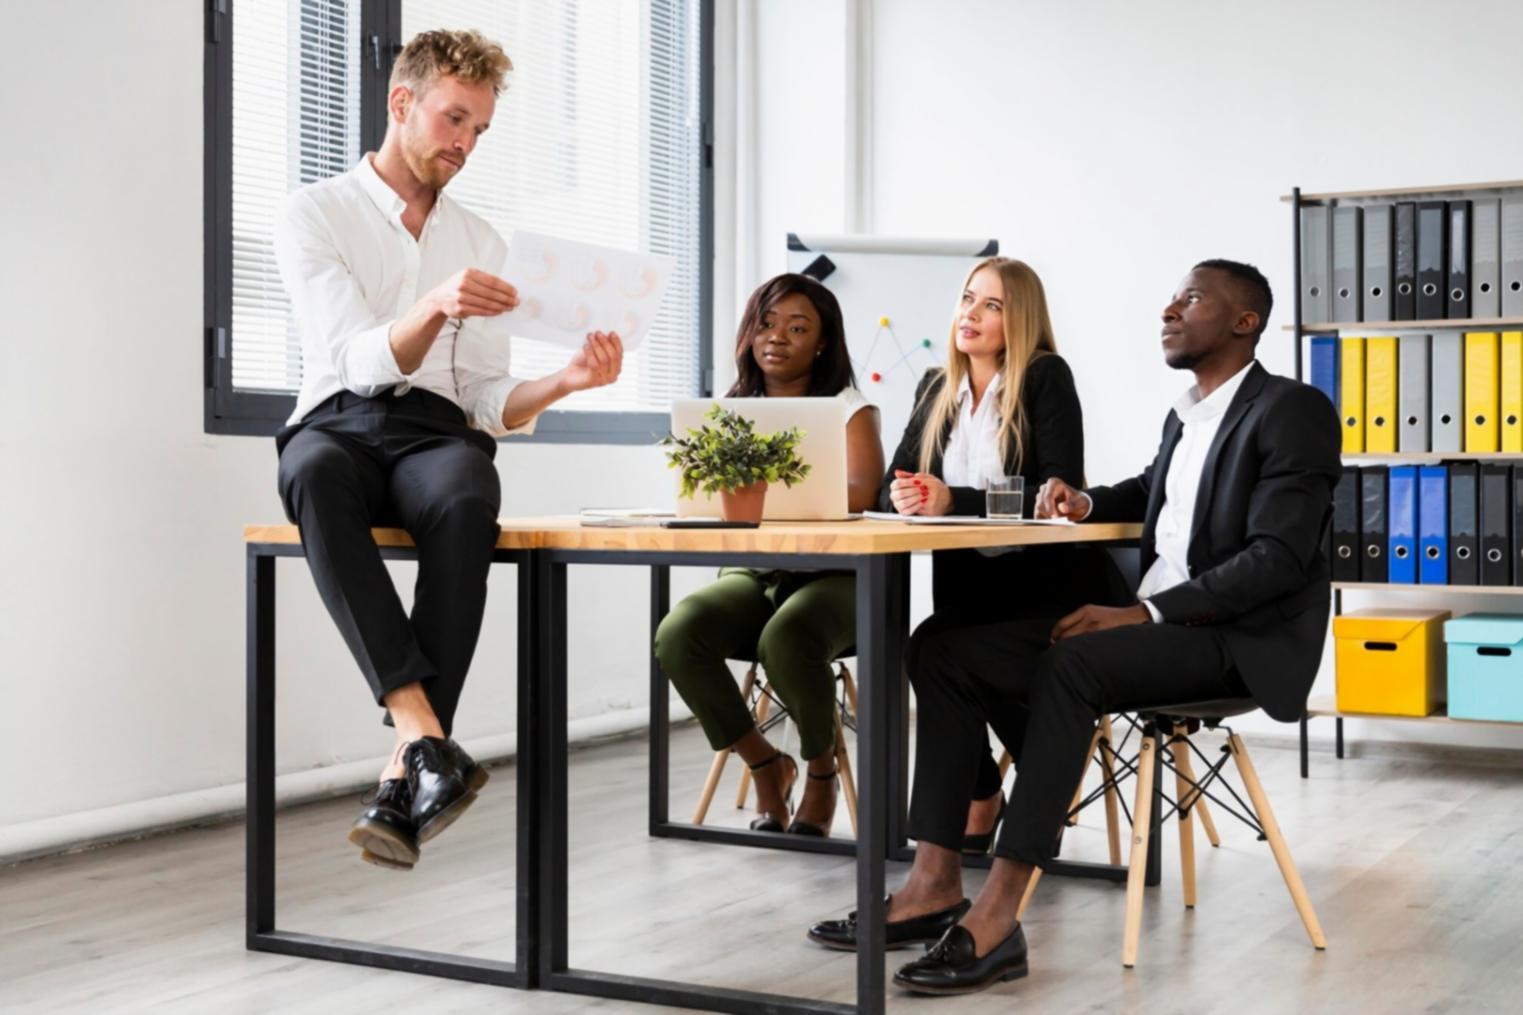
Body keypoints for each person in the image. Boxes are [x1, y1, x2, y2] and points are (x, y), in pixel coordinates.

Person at [810, 259, 1341, 995]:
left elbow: (1278, 560)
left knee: (1072, 662)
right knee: (940, 650)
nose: (1168, 307)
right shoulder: (1187, 411)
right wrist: (1085, 502)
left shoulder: (1291, 409)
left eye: (1189, 298)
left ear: (1243, 321)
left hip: (1231, 640)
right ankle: (933, 877)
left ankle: (998, 915)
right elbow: (1152, 487)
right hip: (1159, 620)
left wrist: (1146, 610)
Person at [273, 30, 624, 871]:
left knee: (469, 489)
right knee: (314, 473)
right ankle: (426, 743)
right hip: (338, 422)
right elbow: (356, 358)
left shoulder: (481, 240)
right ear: (403, 103)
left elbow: (483, 402)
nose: (464, 144)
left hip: (434, 431)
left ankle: (408, 764)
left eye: (479, 131)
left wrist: (568, 379)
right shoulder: (312, 212)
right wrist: (432, 304)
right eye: (453, 119)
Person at [878, 256, 1125, 857]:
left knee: (938, 652)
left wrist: (951, 497)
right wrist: (906, 492)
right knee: (931, 648)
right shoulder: (935, 387)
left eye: (993, 305)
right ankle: (991, 793)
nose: (972, 314)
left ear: (1022, 320)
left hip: (1048, 589)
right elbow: (898, 476)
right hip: (967, 586)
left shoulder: (1045, 376)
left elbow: (1055, 488)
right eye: (968, 299)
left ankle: (1026, 792)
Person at [654, 274, 883, 837]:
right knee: (679, 633)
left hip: (838, 576)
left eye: (798, 327)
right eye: (767, 323)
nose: (777, 336)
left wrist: (760, 492)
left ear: (823, 343)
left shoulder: (849, 407)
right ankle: (764, 763)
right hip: (754, 571)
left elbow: (861, 492)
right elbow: (702, 494)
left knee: (788, 636)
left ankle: (821, 770)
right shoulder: (732, 409)